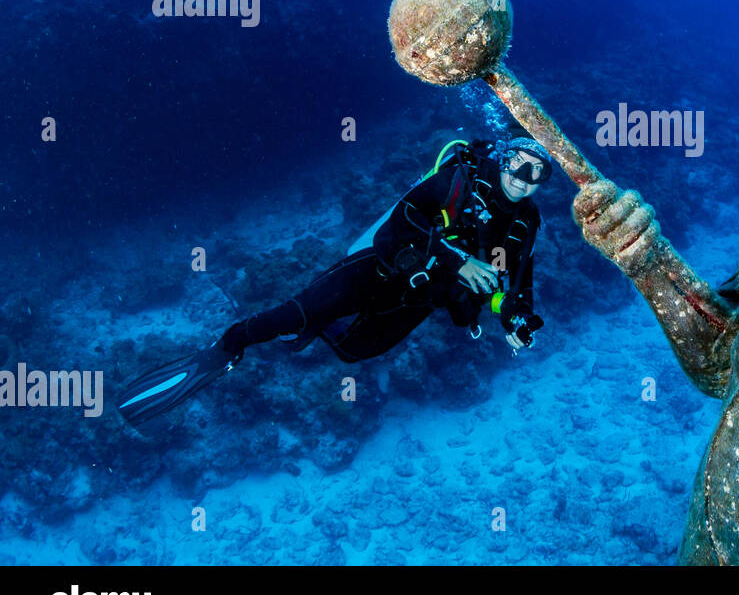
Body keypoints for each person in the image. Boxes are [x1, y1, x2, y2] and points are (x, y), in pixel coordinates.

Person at [117, 136, 552, 427]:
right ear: (501, 158)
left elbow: (517, 279)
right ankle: (228, 346)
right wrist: (455, 261)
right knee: (296, 313)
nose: (522, 179)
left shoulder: (526, 221)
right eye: (518, 164)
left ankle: (320, 325)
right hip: (379, 265)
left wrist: (515, 316)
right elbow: (398, 225)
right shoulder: (457, 182)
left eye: (538, 174)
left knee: (354, 351)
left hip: (420, 297)